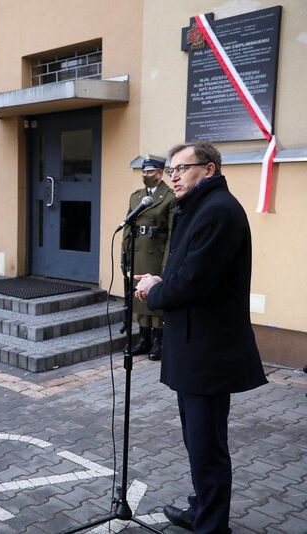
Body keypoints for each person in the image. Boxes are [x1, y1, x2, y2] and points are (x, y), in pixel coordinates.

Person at [135, 141, 267, 534]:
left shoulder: (218, 211)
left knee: (207, 446)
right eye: (170, 169)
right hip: (193, 347)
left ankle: (211, 526)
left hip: (207, 352)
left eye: (181, 167)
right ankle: (202, 509)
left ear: (208, 170)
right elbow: (186, 271)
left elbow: (194, 283)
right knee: (198, 441)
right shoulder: (199, 208)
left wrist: (155, 293)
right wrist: (160, 279)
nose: (172, 174)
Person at [122, 155, 176, 361]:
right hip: (138, 252)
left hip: (157, 254)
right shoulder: (136, 197)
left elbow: (172, 233)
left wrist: (166, 263)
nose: (146, 175)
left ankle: (158, 342)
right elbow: (128, 226)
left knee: (154, 298)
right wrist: (124, 255)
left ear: (160, 173)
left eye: (150, 172)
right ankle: (143, 339)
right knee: (138, 299)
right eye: (144, 172)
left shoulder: (169, 197)